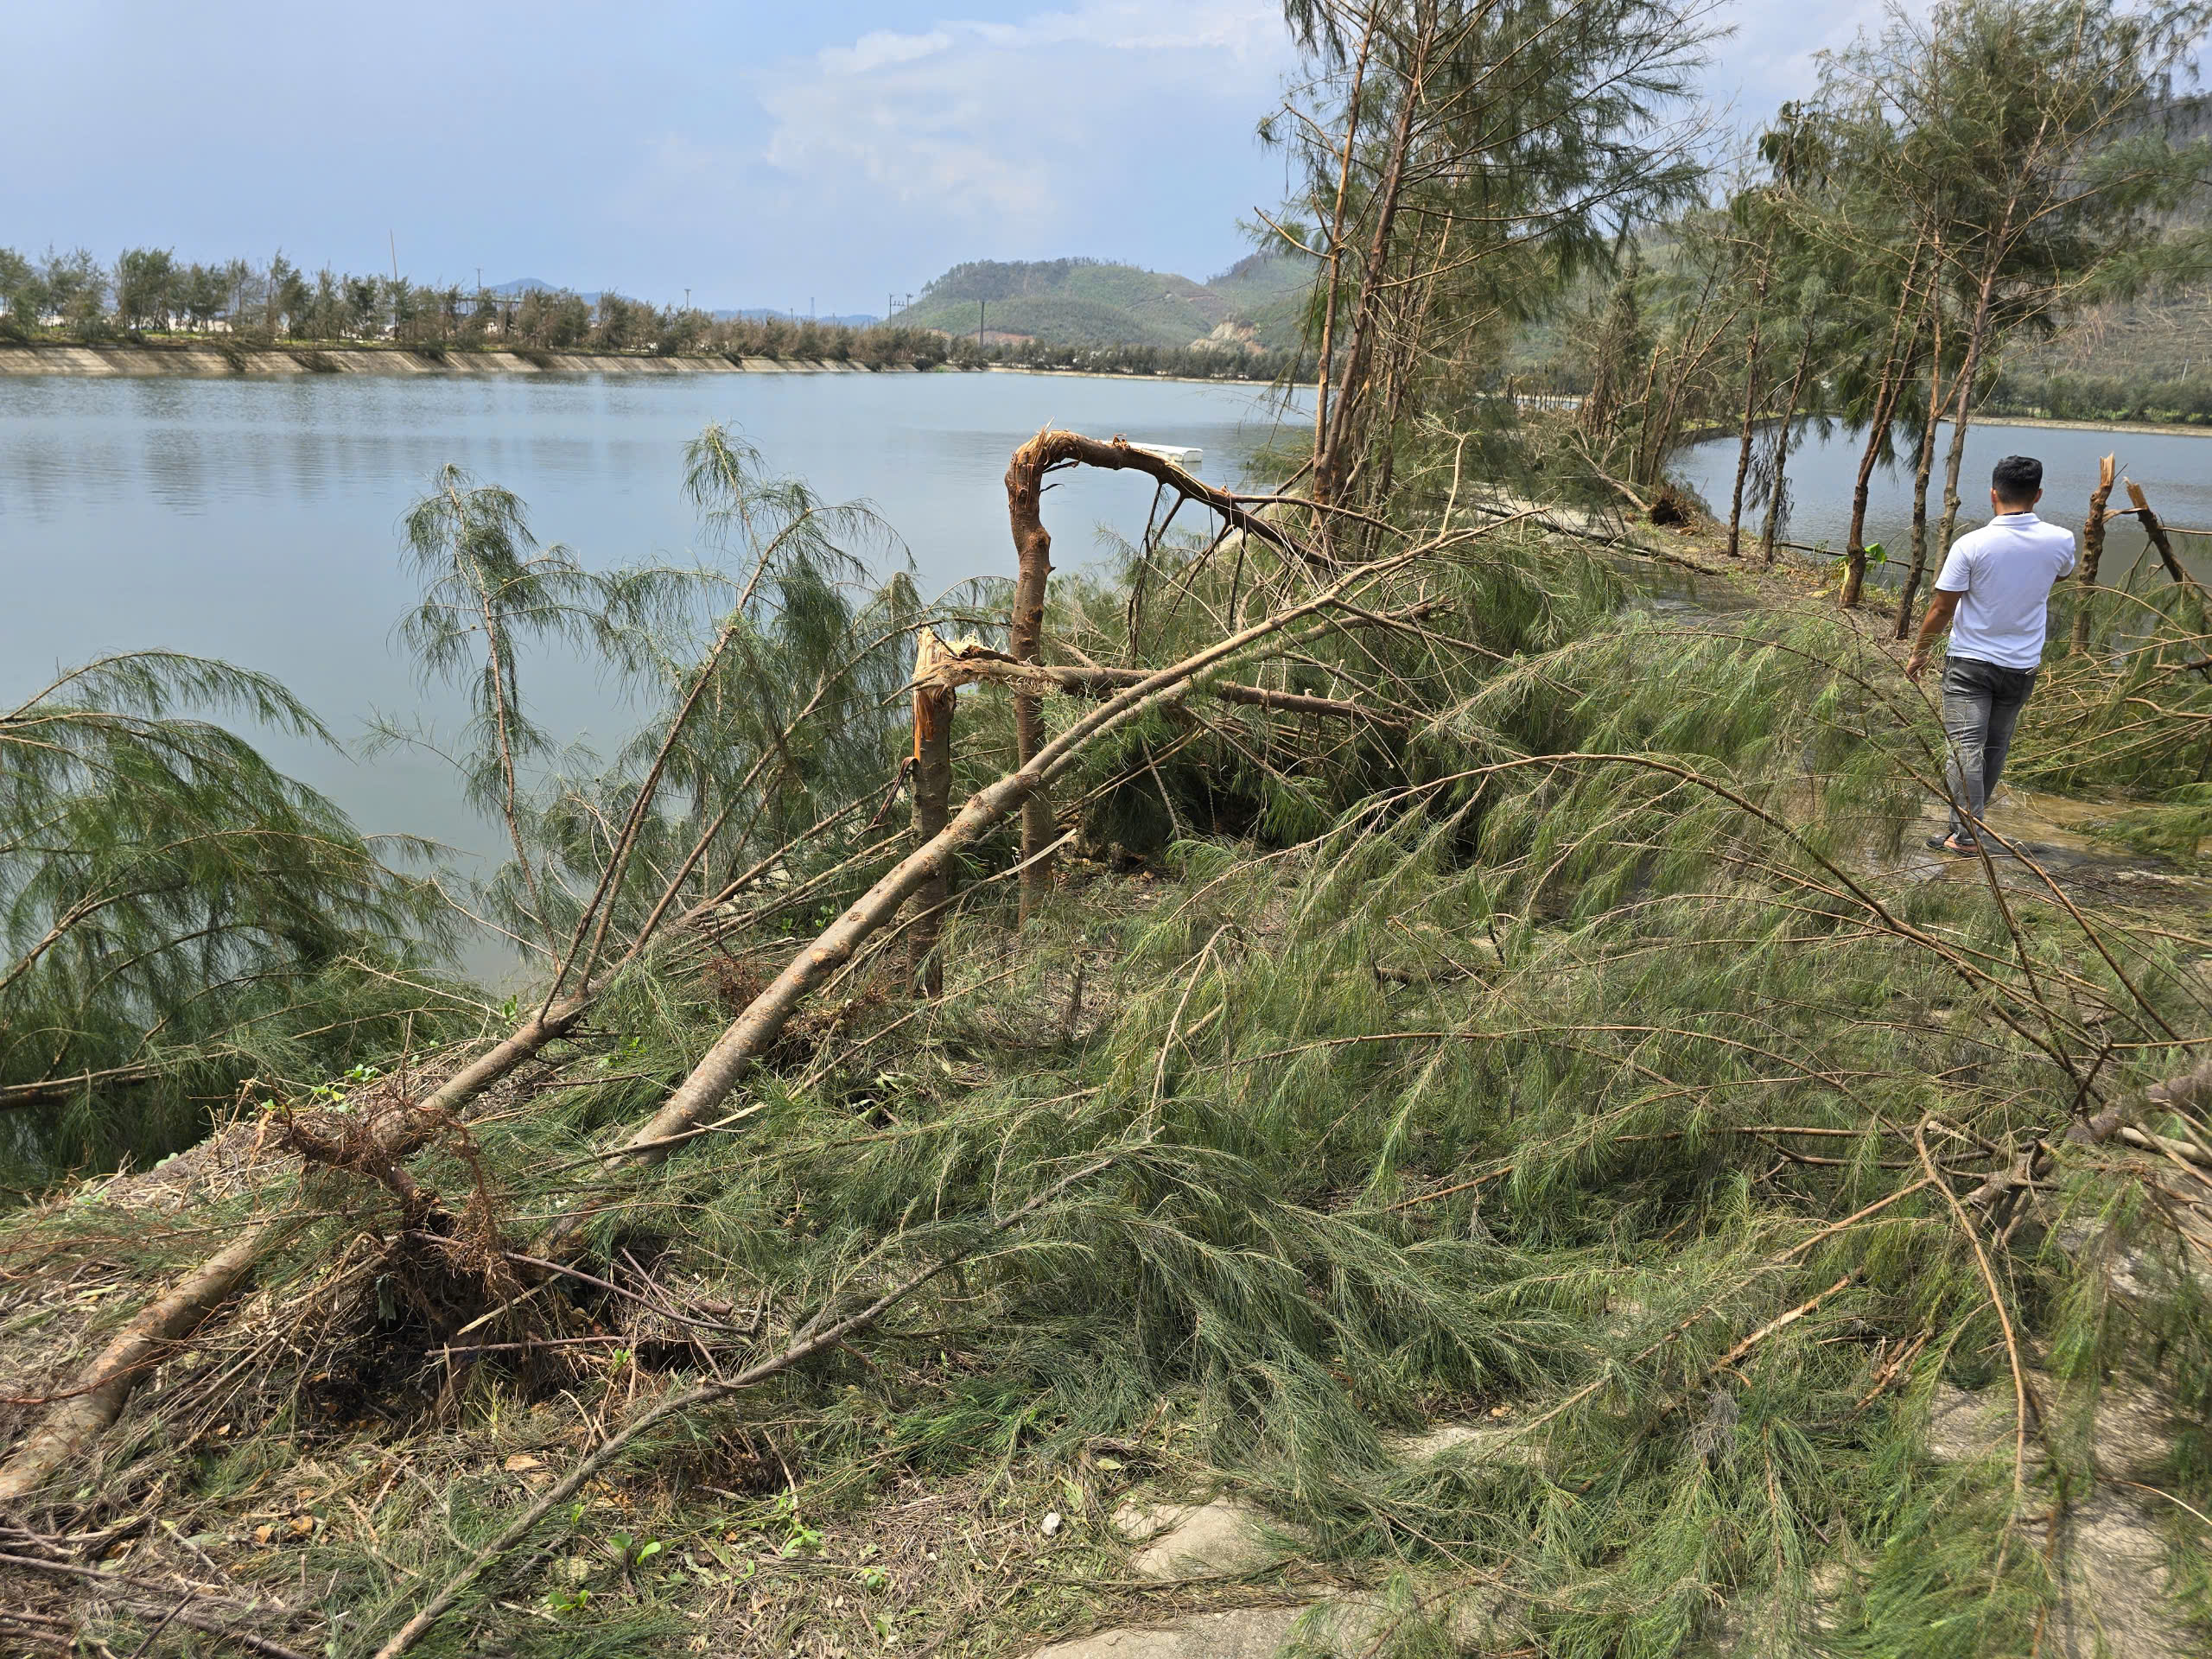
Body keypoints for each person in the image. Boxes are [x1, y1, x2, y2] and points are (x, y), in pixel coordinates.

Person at [1904, 454, 2077, 855]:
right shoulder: (2061, 539)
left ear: (1993, 494)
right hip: (2021, 666)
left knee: (1965, 746)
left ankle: (1966, 835)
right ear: (2037, 495)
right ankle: (1967, 828)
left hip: (1970, 663)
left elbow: (1942, 608)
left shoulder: (1972, 544)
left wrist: (1919, 654)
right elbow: (2064, 572)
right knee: (1994, 746)